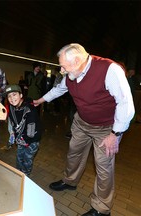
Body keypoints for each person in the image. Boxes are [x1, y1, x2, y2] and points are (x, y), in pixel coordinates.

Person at [33, 43, 135, 216]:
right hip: (81, 122)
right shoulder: (72, 73)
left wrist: (115, 134)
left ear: (78, 60)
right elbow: (59, 89)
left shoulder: (109, 69)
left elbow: (126, 104)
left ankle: (102, 209)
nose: (62, 70)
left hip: (106, 127)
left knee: (104, 167)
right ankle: (70, 181)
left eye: (64, 66)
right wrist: (40, 100)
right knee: (74, 153)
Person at [4, 84, 41, 176]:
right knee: (19, 157)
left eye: (14, 94)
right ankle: (19, 174)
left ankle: (25, 176)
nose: (12, 98)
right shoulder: (11, 108)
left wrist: (26, 141)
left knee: (27, 159)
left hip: (31, 140)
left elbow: (31, 130)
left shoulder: (29, 109)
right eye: (9, 96)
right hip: (20, 139)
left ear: (21, 95)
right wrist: (14, 136)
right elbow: (13, 124)